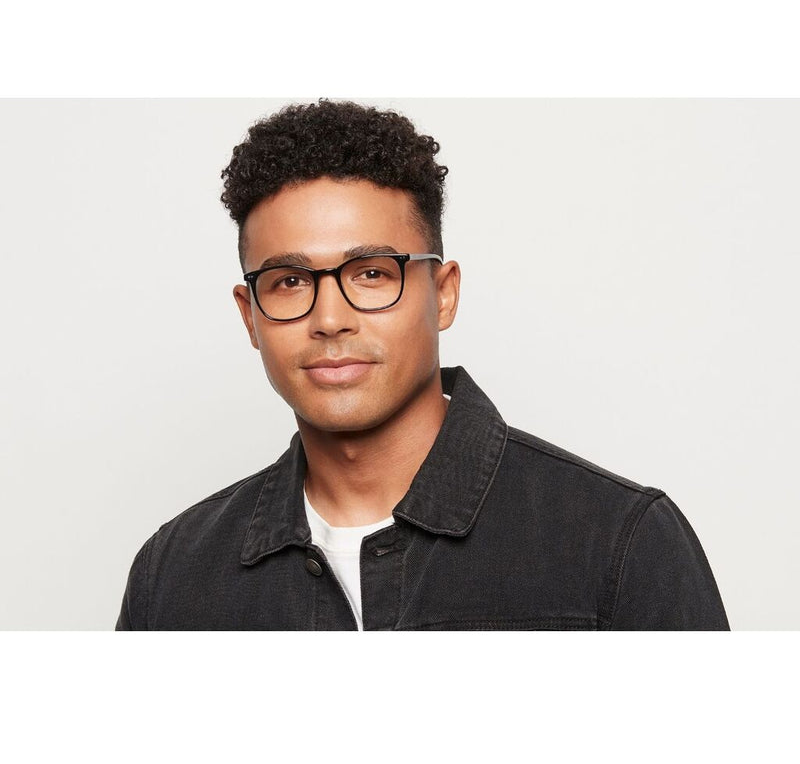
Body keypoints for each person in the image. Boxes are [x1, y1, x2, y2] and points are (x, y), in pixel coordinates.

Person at [116, 99, 729, 631]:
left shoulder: (619, 543)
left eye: (372, 273)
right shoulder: (172, 576)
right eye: (289, 281)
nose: (330, 318)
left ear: (444, 294)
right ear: (250, 315)